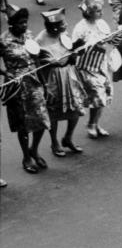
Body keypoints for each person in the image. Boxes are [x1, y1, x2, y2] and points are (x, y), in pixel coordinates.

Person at [0, 5, 50, 174]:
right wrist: (6, 72)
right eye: (21, 23)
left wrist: (44, 83)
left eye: (25, 22)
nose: (24, 26)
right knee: (23, 124)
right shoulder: (4, 40)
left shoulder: (28, 36)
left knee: (42, 119)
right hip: (16, 86)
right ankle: (26, 157)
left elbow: (36, 60)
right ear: (12, 25)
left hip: (33, 82)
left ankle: (34, 150)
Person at [35, 8, 86, 157]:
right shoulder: (40, 40)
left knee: (75, 107)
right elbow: (41, 63)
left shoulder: (64, 35)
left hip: (68, 75)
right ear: (53, 26)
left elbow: (71, 56)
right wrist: (44, 84)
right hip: (52, 79)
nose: (66, 25)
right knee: (54, 112)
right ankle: (54, 142)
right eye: (62, 23)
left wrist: (77, 51)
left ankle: (68, 138)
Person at [71, 0, 114, 139]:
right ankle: (90, 124)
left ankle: (95, 123)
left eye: (101, 11)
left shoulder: (101, 23)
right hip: (86, 66)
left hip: (100, 62)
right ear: (89, 12)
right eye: (98, 11)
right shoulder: (80, 27)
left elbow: (109, 38)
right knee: (97, 93)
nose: (101, 14)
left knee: (104, 94)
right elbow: (74, 48)